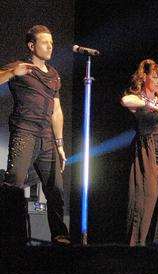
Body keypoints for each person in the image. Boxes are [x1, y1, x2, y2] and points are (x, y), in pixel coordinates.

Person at [0, 25, 69, 245]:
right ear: (32, 45)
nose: (50, 46)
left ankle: (60, 237)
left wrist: (60, 144)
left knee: (56, 191)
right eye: (44, 42)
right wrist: (12, 73)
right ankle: (10, 239)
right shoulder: (20, 67)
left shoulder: (54, 75)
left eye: (52, 43)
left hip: (47, 138)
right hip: (25, 134)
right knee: (14, 186)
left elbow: (56, 111)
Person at [121, 59, 158, 247]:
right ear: (144, 77)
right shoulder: (137, 98)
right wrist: (150, 105)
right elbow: (124, 100)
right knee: (148, 196)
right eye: (154, 77)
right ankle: (137, 243)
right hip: (147, 149)